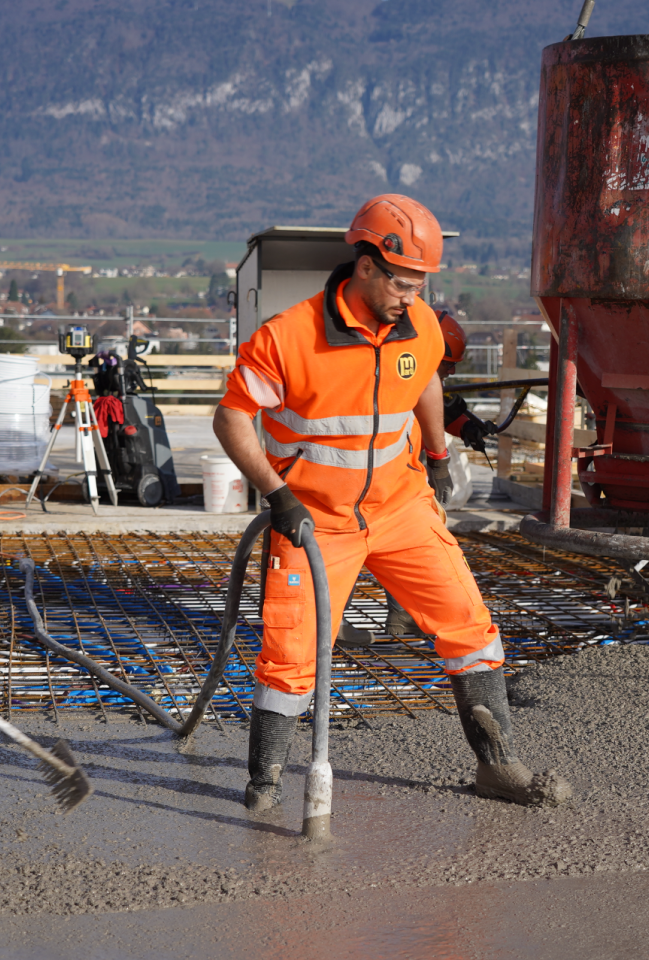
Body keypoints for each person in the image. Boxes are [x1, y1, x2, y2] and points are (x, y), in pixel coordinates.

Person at [214, 194, 570, 812]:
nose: (412, 296)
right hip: (316, 519)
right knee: (292, 654)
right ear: (367, 266)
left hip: (401, 509)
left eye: (421, 283)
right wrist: (277, 495)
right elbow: (232, 417)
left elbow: (425, 378)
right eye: (403, 282)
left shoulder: (421, 324)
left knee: (469, 626)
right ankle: (266, 783)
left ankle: (497, 765)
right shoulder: (290, 337)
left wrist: (436, 456)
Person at [337, 309, 494, 644]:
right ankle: (333, 620)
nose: (450, 371)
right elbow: (420, 399)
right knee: (350, 542)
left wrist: (465, 424)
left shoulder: (411, 368)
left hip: (399, 475)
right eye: (447, 363)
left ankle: (402, 618)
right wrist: (439, 461)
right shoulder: (385, 369)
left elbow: (436, 403)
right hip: (366, 476)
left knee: (405, 543)